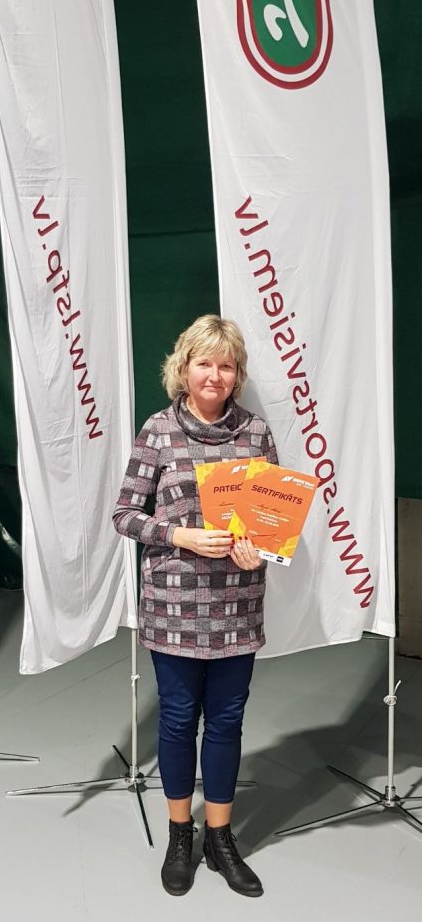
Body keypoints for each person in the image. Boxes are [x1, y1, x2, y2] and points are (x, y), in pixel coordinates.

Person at [113, 314, 277, 899]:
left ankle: (220, 838)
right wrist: (178, 535)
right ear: (183, 369)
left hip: (236, 606)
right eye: (204, 363)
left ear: (237, 375)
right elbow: (124, 515)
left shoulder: (256, 434)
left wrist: (259, 549)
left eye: (226, 365)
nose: (214, 374)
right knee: (180, 720)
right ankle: (180, 834)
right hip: (173, 606)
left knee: (227, 722)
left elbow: (270, 522)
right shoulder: (157, 431)